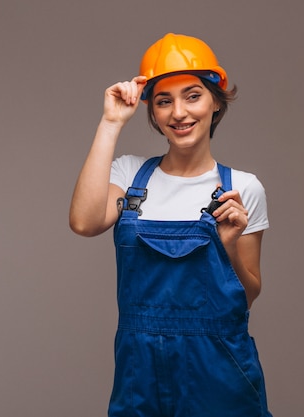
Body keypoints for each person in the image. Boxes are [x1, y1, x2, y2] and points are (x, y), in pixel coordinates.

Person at [70, 33, 272, 417]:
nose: (179, 112)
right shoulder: (130, 175)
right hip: (139, 367)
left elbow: (247, 296)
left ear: (216, 101)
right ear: (153, 112)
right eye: (164, 101)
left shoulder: (243, 188)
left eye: (193, 95)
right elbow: (84, 221)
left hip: (218, 365)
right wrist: (111, 122)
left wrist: (227, 245)